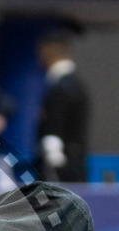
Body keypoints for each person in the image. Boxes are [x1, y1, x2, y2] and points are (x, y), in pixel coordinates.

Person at [35, 30, 90, 183]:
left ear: (48, 51)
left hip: (63, 171)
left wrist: (54, 167)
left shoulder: (60, 87)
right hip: (74, 165)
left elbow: (54, 129)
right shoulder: (76, 84)